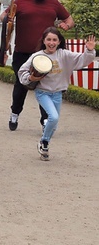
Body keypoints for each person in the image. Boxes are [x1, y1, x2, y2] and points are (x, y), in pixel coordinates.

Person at [1, 0, 74, 131]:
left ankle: (45, 120)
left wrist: (66, 25)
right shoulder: (21, 1)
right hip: (22, 52)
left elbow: (70, 20)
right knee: (22, 84)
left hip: (45, 54)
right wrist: (8, 19)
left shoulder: (54, 3)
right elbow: (3, 16)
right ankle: (15, 113)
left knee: (45, 87)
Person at [19, 30, 95, 161]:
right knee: (53, 117)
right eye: (48, 39)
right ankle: (45, 143)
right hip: (42, 92)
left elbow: (82, 60)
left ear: (59, 41)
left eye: (54, 40)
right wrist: (30, 78)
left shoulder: (64, 55)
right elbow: (22, 72)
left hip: (58, 94)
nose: (51, 43)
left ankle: (45, 135)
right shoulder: (37, 56)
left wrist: (89, 51)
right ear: (43, 41)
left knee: (53, 124)